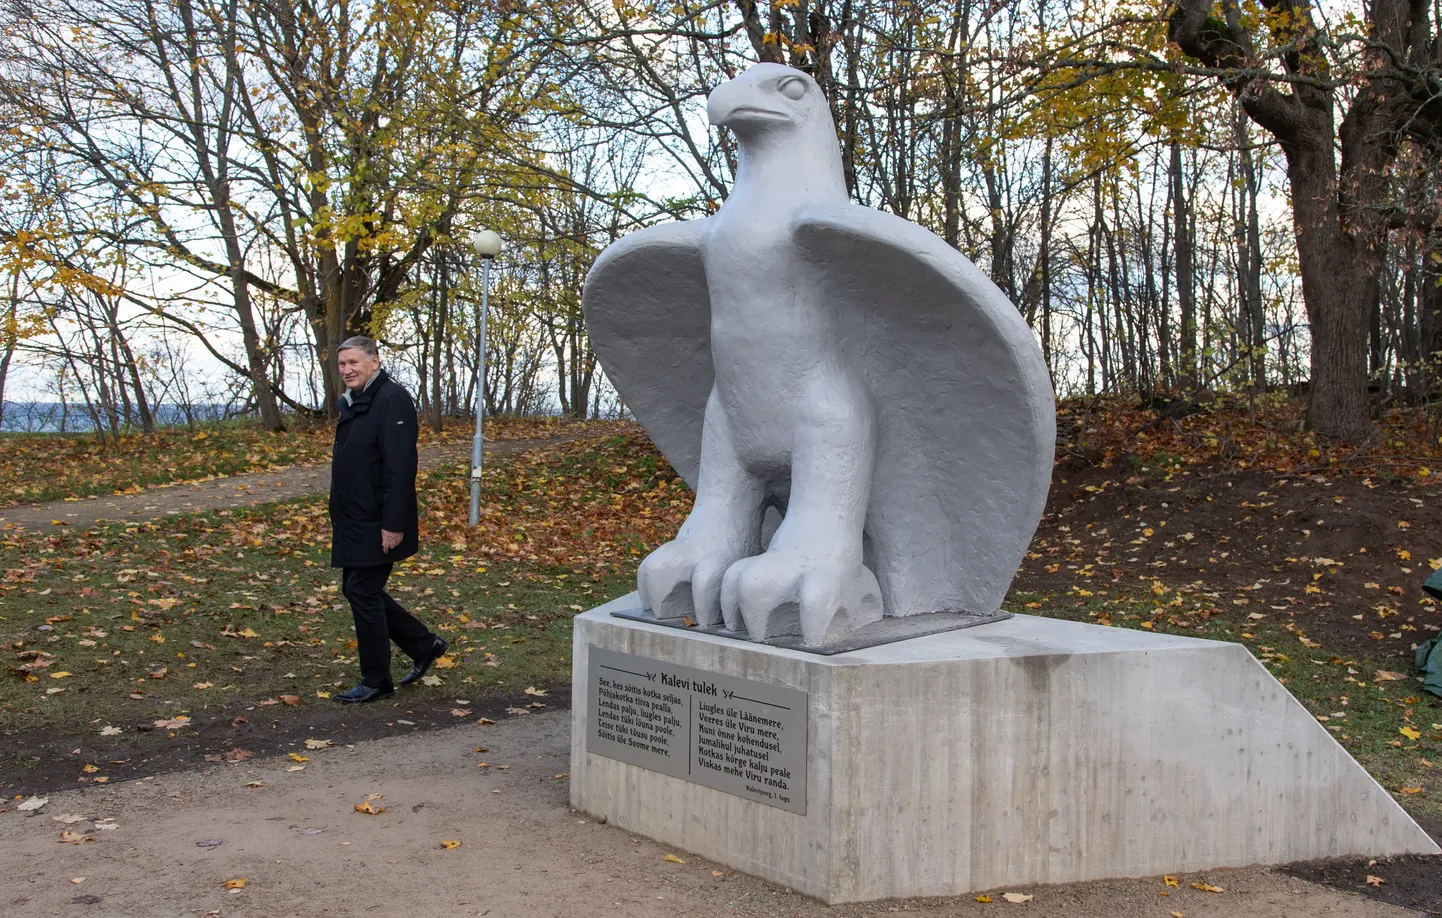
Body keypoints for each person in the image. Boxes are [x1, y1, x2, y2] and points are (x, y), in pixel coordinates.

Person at [329, 336, 447, 703]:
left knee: (361, 590)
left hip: (378, 519)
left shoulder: (392, 398)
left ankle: (378, 679)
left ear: (374, 360)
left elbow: (399, 467)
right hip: (355, 516)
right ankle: (424, 644)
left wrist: (393, 524)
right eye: (342, 365)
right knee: (358, 588)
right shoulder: (357, 400)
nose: (347, 370)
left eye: (354, 362)